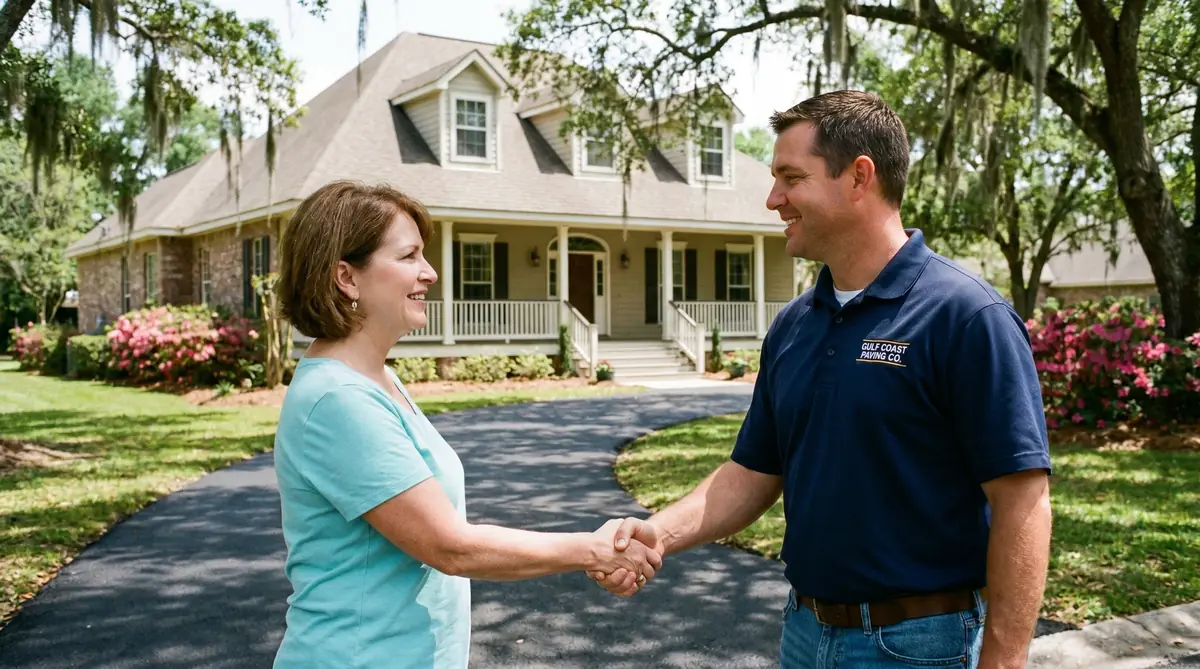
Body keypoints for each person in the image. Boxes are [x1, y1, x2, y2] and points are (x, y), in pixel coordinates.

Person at [591, 90, 1053, 669]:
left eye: (791, 178)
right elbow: (753, 471)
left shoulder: (965, 315)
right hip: (804, 634)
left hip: (920, 646)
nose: (772, 199)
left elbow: (1022, 502)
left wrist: (1005, 662)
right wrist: (658, 533)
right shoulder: (794, 325)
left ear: (859, 177)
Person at [271, 180, 660, 669]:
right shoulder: (338, 400)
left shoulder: (377, 379)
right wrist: (591, 549)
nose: (430, 272)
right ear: (347, 277)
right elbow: (449, 545)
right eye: (409, 256)